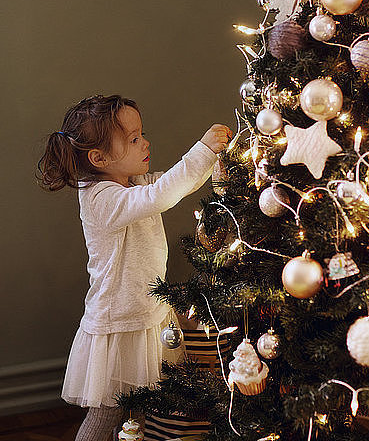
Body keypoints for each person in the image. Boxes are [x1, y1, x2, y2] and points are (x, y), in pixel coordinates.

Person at [36, 94, 232, 441]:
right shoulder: (101, 198)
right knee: (107, 414)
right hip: (120, 323)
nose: (146, 143)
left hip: (147, 315)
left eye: (142, 134)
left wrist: (215, 162)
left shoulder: (133, 183)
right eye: (133, 139)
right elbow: (163, 194)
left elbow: (172, 183)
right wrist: (203, 149)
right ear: (99, 158)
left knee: (141, 413)